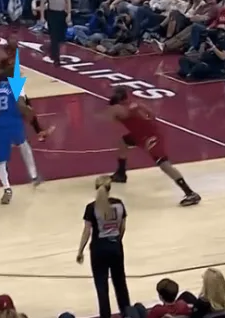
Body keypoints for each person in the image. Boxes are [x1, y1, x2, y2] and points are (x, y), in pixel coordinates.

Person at [106, 86, 201, 206]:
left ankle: (190, 193)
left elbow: (109, 118)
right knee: (123, 142)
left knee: (164, 164)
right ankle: (121, 173)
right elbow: (151, 114)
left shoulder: (120, 109)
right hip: (144, 133)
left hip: (150, 137)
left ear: (119, 98)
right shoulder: (135, 103)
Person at [76, 176, 130, 318]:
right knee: (120, 283)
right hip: (116, 247)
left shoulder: (91, 207)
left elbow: (87, 231)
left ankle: (105, 315)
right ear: (109, 188)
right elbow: (122, 227)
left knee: (101, 286)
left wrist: (80, 251)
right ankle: (128, 314)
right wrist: (117, 241)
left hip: (98, 249)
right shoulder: (119, 204)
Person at [0, 69, 42, 204]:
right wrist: (29, 113)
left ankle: (7, 188)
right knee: (24, 145)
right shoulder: (17, 85)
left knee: (1, 162)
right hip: (14, 124)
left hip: (0, 126)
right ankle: (34, 175)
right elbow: (21, 104)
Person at [0, 38, 53, 141]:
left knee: (27, 107)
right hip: (0, 86)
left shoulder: (14, 55)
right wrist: (5, 72)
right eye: (14, 49)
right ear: (9, 49)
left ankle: (39, 132)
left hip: (13, 84)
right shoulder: (1, 56)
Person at [45, 0, 71, 66]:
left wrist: (69, 14)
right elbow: (43, 1)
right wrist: (42, 16)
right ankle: (56, 58)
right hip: (51, 13)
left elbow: (68, 1)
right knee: (54, 36)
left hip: (62, 13)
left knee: (61, 37)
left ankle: (52, 51)